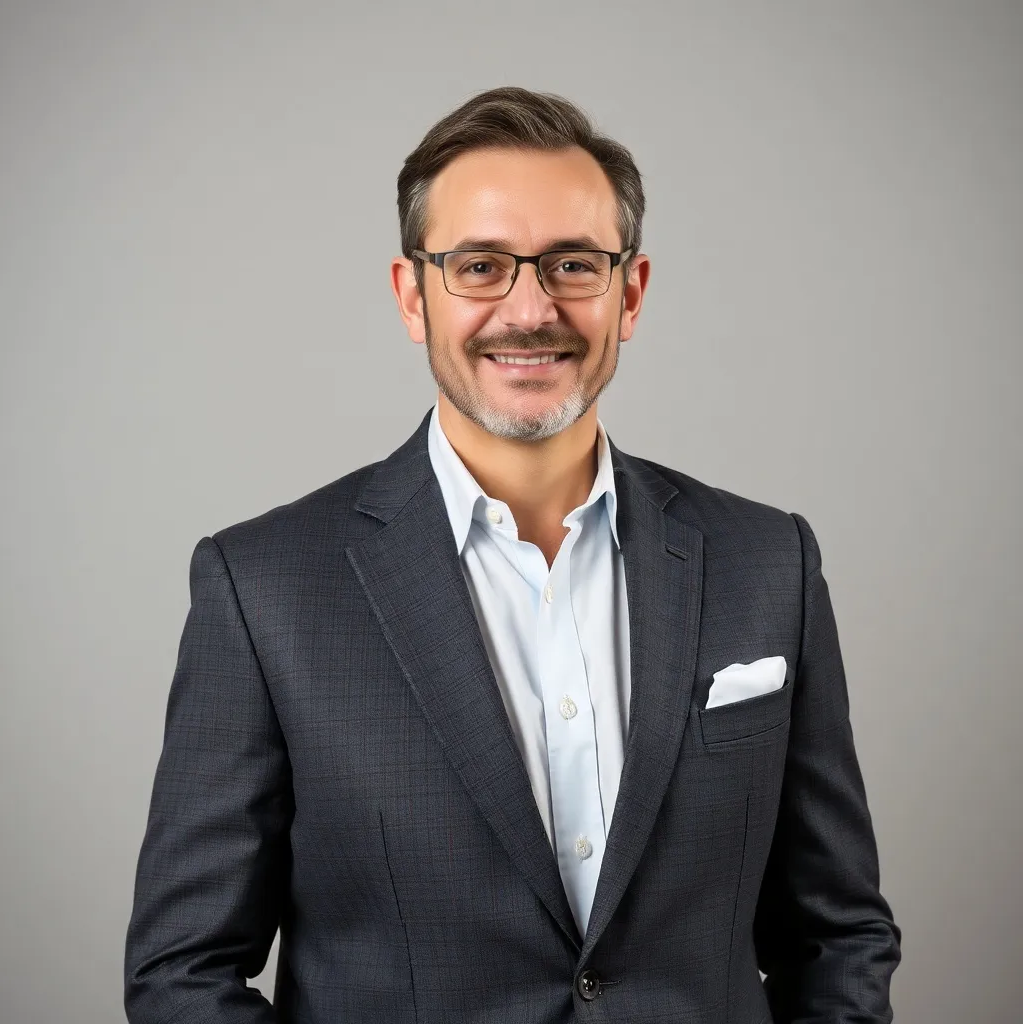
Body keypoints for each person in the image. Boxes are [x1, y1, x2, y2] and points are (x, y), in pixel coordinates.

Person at [124, 86, 901, 1023]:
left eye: (573, 264)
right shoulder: (265, 589)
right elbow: (183, 973)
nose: (530, 310)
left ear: (630, 293)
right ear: (413, 296)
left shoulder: (768, 562)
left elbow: (837, 937)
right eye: (481, 266)